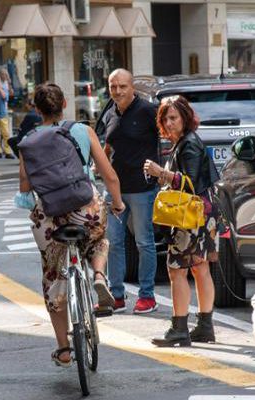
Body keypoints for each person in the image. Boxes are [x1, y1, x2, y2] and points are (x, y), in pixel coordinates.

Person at [18, 82, 125, 367]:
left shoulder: (28, 140)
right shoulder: (83, 131)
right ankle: (99, 275)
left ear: (37, 109)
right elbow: (109, 176)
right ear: (64, 104)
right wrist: (117, 202)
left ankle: (64, 349)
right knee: (99, 239)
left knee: (53, 276)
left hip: (49, 215)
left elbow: (25, 187)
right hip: (85, 206)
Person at [143, 95, 219, 346]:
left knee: (177, 270)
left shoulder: (189, 145)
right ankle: (204, 327)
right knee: (199, 267)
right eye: (165, 118)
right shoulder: (184, 143)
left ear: (185, 118)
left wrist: (161, 173)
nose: (169, 122)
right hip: (202, 214)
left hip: (191, 216)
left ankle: (179, 328)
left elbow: (190, 183)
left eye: (174, 117)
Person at [100, 68, 160, 314]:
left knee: (144, 242)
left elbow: (168, 135)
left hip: (142, 189)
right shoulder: (110, 113)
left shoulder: (147, 110)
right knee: (113, 243)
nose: (118, 91)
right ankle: (116, 295)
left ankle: (147, 296)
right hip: (114, 189)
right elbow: (108, 144)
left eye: (122, 86)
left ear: (132, 87)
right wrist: (99, 165)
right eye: (113, 87)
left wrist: (163, 171)